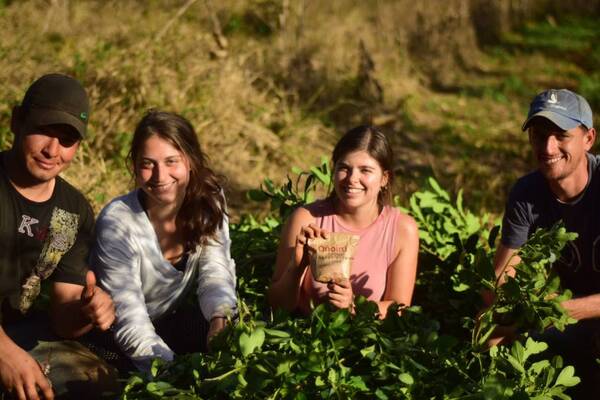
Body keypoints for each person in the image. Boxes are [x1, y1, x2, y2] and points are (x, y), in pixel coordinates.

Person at [90, 110, 237, 372]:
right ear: (134, 166)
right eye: (148, 164)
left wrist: (219, 318)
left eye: (171, 161)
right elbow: (129, 320)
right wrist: (173, 377)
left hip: (165, 320)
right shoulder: (117, 223)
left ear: (190, 161)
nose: (160, 176)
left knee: (234, 331)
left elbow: (216, 271)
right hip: (114, 334)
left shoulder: (208, 200)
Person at [0, 74, 116, 399]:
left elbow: (65, 323)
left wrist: (89, 310)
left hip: (24, 332)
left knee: (96, 379)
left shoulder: (73, 210)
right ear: (16, 121)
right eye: (44, 131)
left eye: (67, 139)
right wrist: (4, 354)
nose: (53, 150)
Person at [492, 89, 598, 397]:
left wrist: (559, 309)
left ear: (588, 138)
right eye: (539, 135)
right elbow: (503, 275)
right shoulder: (527, 193)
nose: (548, 147)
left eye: (561, 135)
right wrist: (496, 318)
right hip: (571, 311)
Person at [268, 125, 419, 317]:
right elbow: (276, 306)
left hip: (367, 342)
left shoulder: (402, 229)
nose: (352, 179)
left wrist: (354, 308)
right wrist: (297, 265)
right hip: (306, 337)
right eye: (344, 168)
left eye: (365, 170)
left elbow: (400, 309)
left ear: (384, 178)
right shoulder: (306, 219)